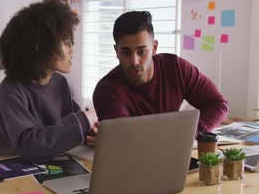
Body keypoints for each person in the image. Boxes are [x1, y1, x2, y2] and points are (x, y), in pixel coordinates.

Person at [0, 0, 98, 162]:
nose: (72, 50)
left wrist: (90, 133)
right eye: (66, 42)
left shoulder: (60, 83)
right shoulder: (11, 90)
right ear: (40, 45)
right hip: (18, 175)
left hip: (56, 166)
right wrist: (83, 121)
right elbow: (29, 145)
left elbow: (69, 130)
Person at [92, 11, 228, 134]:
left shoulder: (176, 68)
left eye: (141, 51)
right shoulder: (106, 91)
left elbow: (218, 104)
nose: (134, 61)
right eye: (126, 52)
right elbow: (127, 139)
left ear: (154, 48)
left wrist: (190, 134)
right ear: (116, 51)